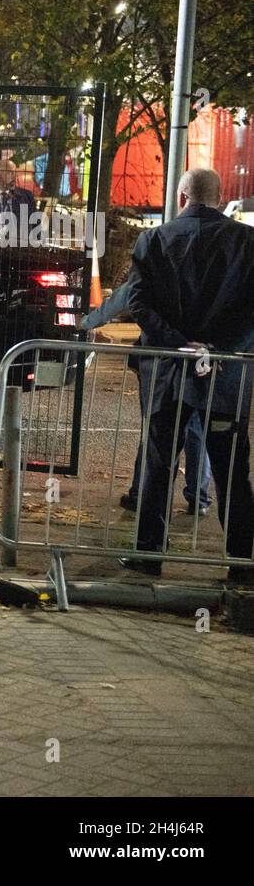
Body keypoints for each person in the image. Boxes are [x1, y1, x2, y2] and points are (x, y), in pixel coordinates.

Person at [123, 168, 254, 584]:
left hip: (168, 372)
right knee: (232, 470)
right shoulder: (246, 243)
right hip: (226, 376)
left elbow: (140, 304)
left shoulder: (155, 240)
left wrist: (179, 343)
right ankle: (240, 562)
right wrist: (216, 349)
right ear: (218, 198)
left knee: (159, 463)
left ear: (182, 198)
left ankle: (148, 554)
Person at [82, 285, 212, 516]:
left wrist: (86, 323)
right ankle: (198, 497)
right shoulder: (206, 263)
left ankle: (142, 494)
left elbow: (126, 296)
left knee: (156, 429)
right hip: (200, 356)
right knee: (195, 428)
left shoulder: (157, 260)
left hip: (160, 359)